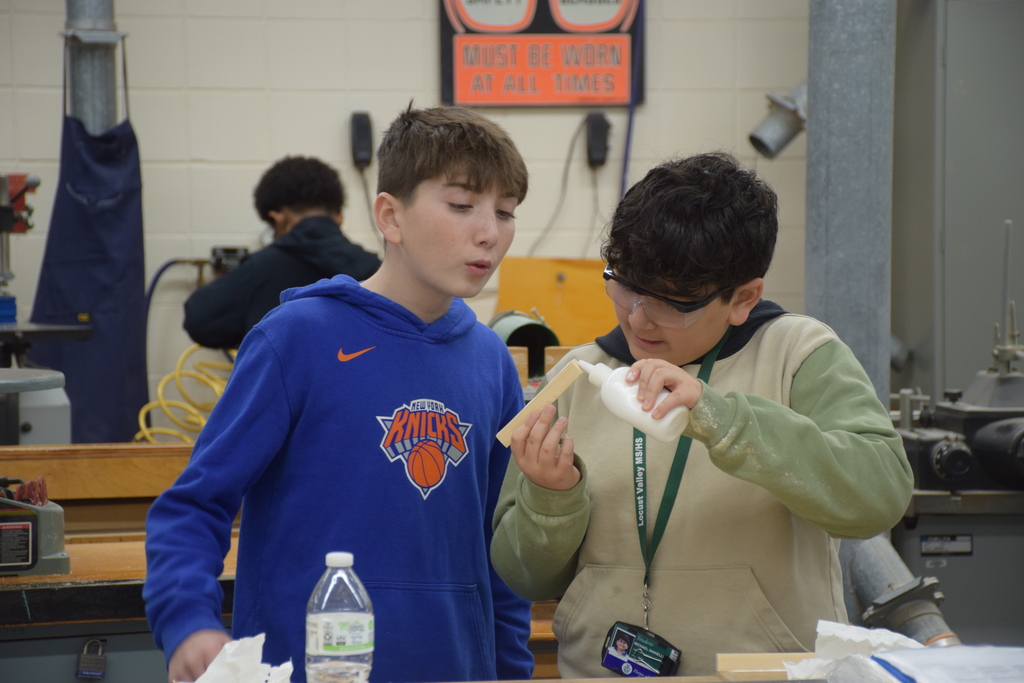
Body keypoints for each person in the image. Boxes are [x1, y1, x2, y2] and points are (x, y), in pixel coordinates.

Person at [144, 104, 533, 683]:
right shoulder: (295, 339)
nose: (489, 231)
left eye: (505, 213)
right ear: (390, 217)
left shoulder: (490, 361)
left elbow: (501, 552)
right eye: (461, 206)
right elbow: (193, 506)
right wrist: (189, 622)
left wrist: (511, 669)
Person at [490, 152, 914, 677]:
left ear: (743, 298)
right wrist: (551, 500)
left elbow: (879, 497)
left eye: (673, 301)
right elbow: (524, 578)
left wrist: (722, 418)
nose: (638, 317)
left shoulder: (796, 354)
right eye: (625, 284)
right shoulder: (579, 376)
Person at [183, 155, 380, 349]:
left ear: (279, 219)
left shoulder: (260, 268)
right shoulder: (375, 270)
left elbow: (199, 320)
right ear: (339, 218)